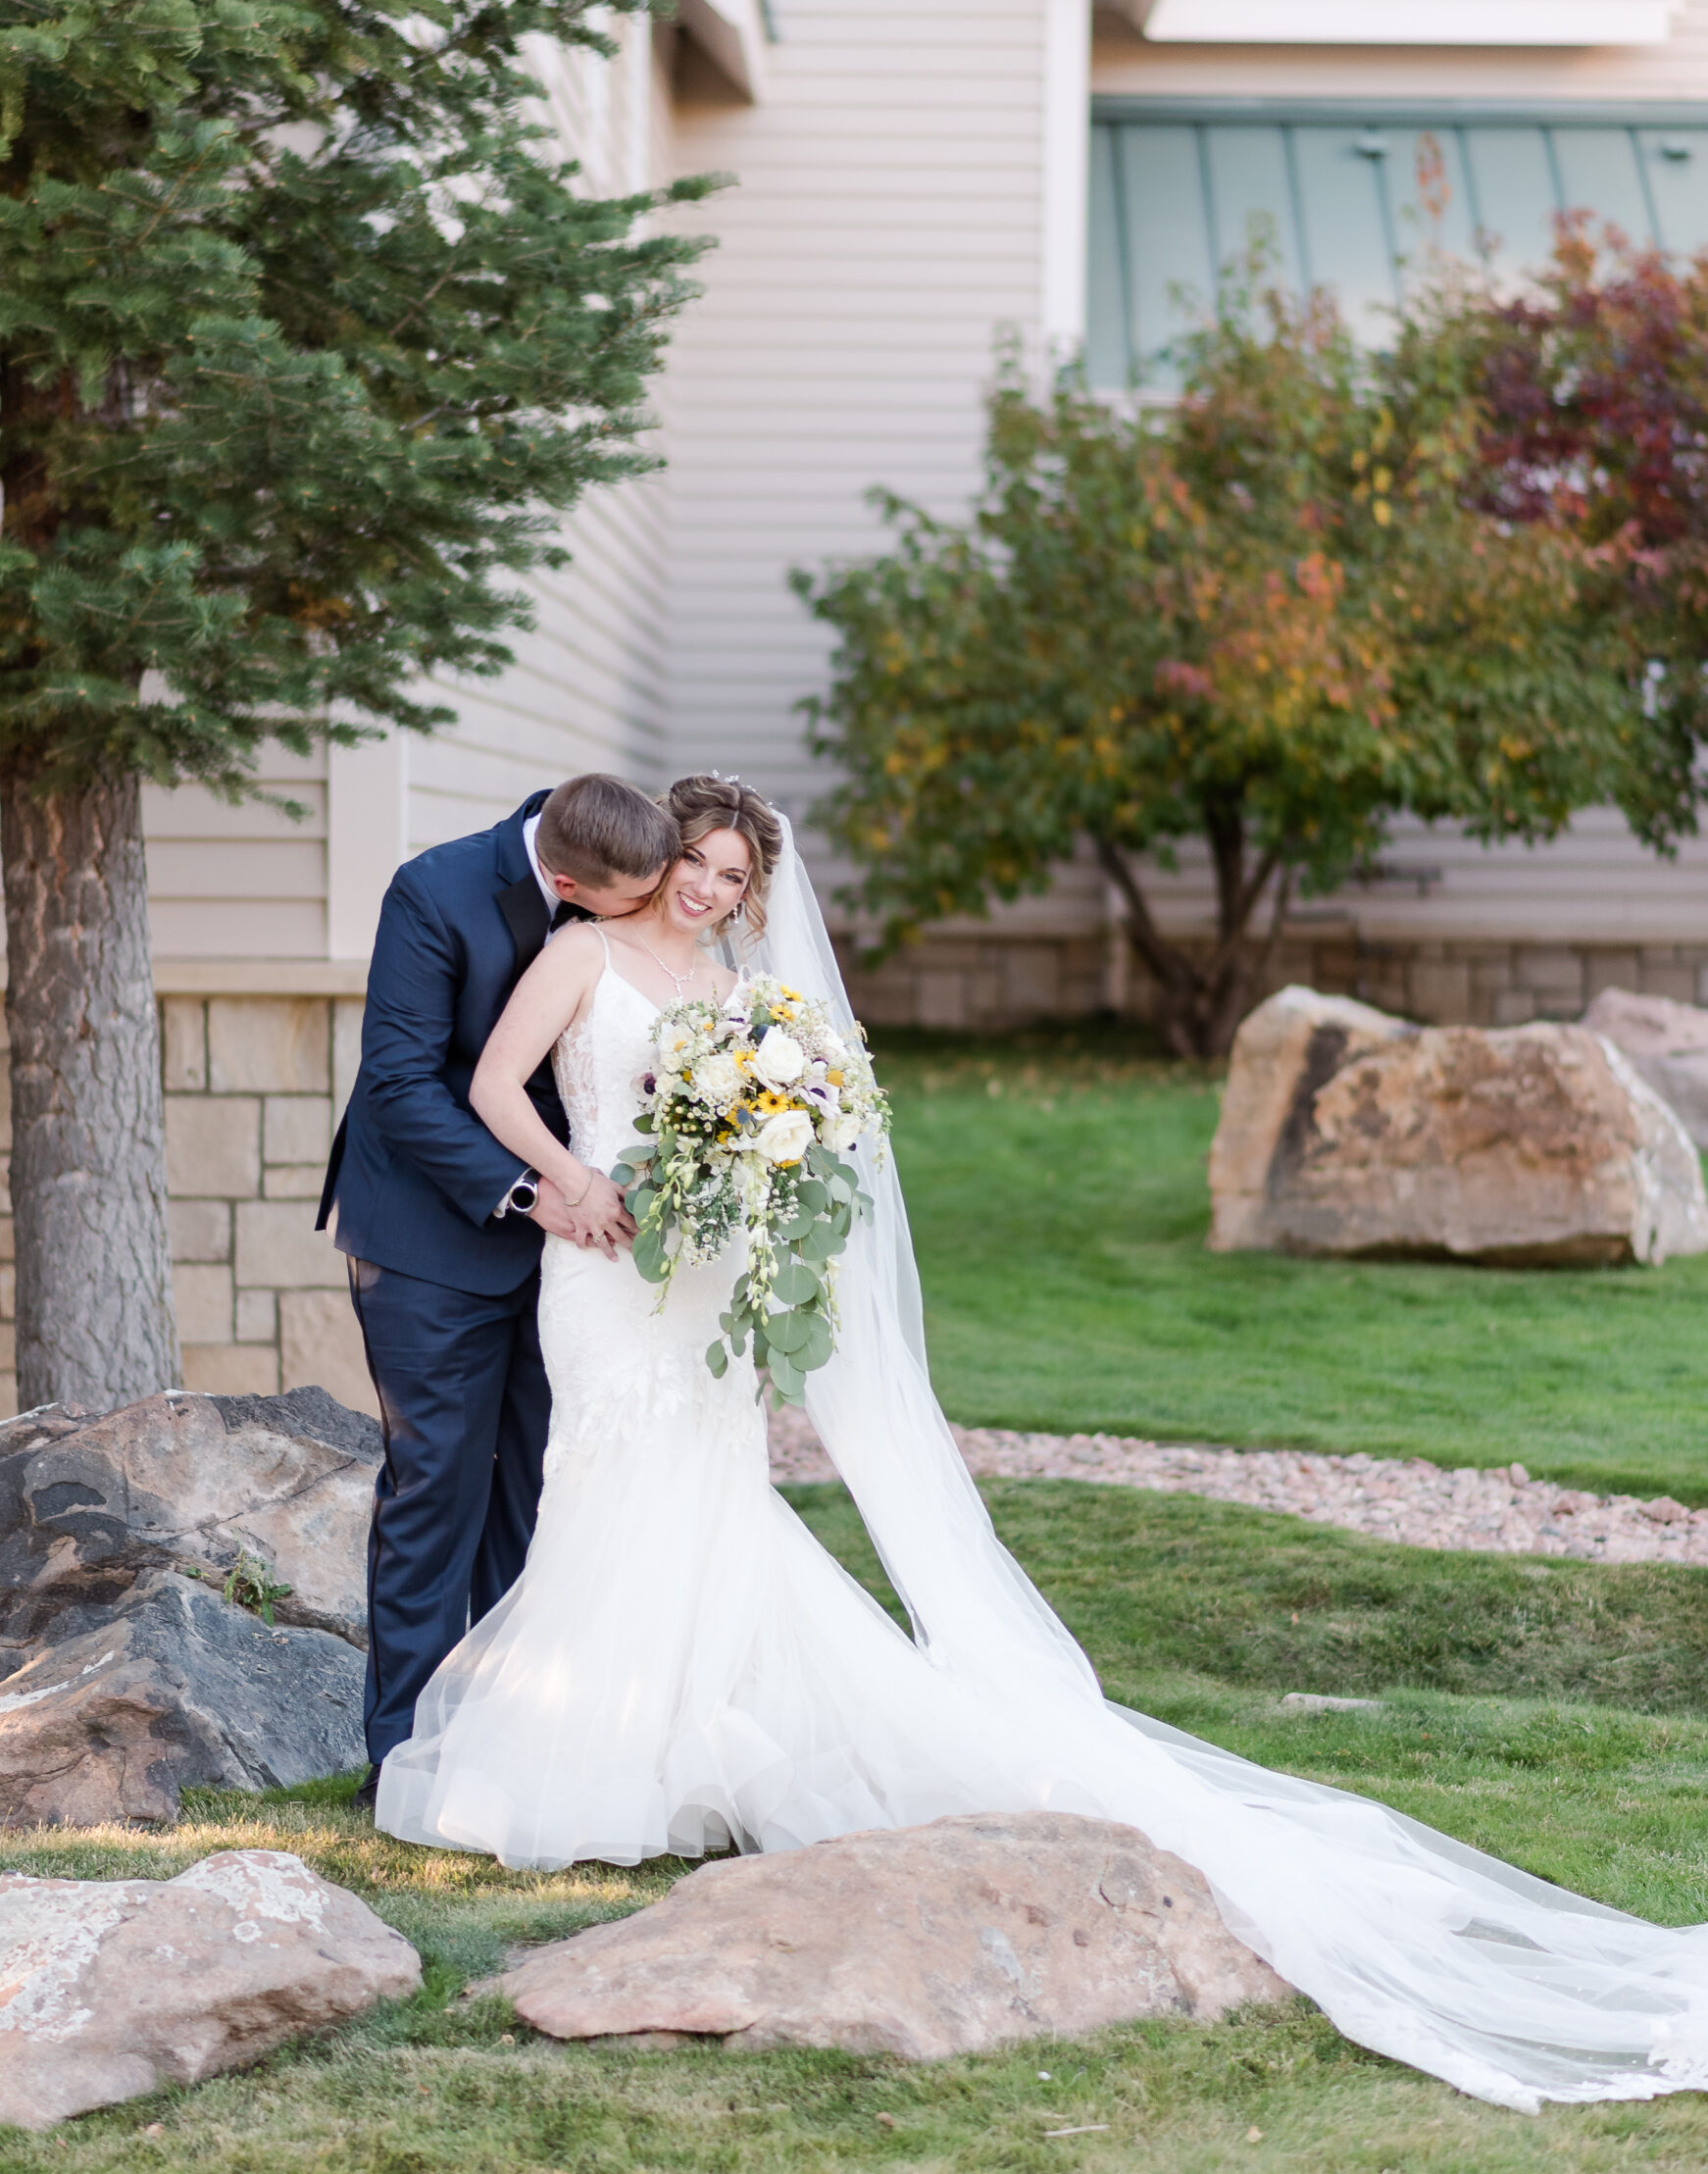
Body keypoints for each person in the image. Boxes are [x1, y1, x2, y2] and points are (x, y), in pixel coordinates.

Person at [374, 773, 1708, 2114]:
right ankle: (601, 1748)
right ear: (659, 857)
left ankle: (665, 1756)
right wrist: (570, 1179)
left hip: (701, 1280)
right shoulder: (579, 953)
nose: (710, 890)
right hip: (598, 1268)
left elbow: (782, 1130)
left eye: (732, 876)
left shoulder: (741, 996)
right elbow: (490, 1084)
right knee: (600, 1480)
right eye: (697, 866)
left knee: (706, 1493)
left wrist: (750, 1177)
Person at [318, 772, 678, 1808]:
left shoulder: (613, 847)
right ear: (567, 877)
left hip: (575, 1257)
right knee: (437, 1490)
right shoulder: (432, 893)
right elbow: (398, 1081)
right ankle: (405, 1760)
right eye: (625, 901)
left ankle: (507, 1740)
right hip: (434, 1237)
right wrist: (532, 1189)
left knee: (536, 1491)